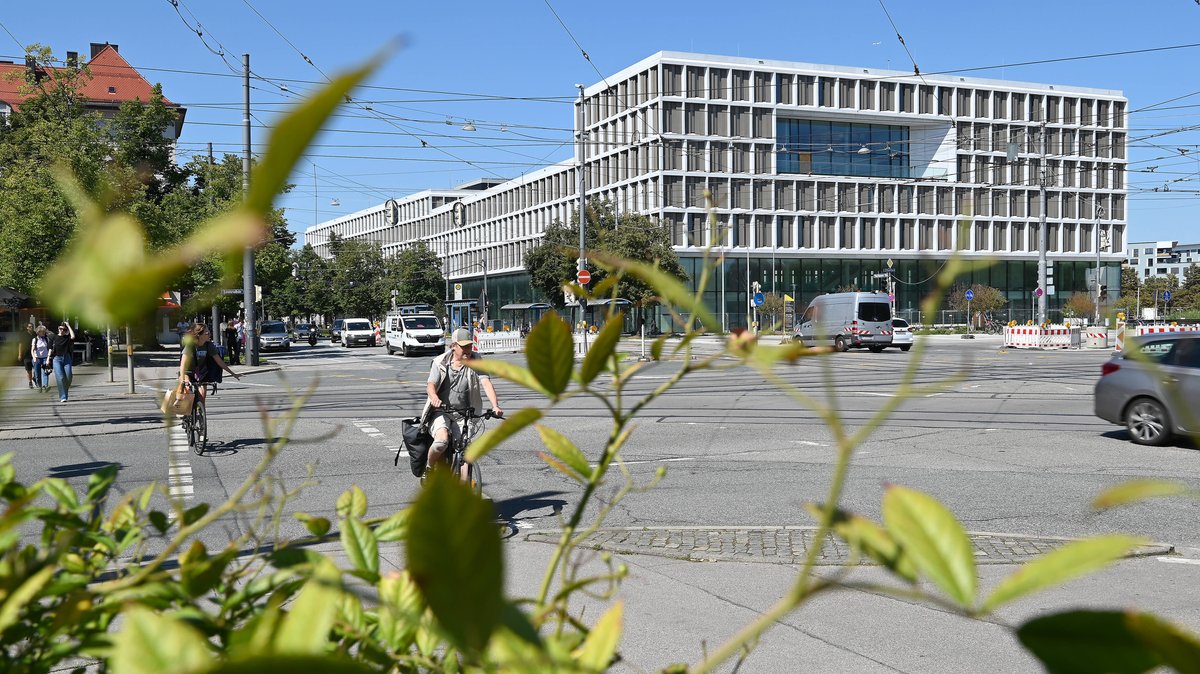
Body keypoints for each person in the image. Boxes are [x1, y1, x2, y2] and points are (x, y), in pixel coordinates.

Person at [422, 327, 502, 479]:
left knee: (465, 450)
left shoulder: (476, 360)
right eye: (463, 346)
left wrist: (495, 406)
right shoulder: (440, 362)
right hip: (441, 411)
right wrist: (433, 397)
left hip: (464, 413)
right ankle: (429, 467)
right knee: (441, 442)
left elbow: (486, 383)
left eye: (470, 346)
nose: (468, 350)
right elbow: (431, 385)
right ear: (453, 346)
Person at [178, 324, 240, 433]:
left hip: (201, 373)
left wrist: (233, 373)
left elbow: (219, 361)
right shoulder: (190, 346)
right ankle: (185, 415)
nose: (209, 334)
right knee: (187, 392)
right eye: (206, 333)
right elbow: (183, 364)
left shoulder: (209, 345)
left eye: (208, 332)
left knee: (202, 397)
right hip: (188, 372)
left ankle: (202, 423)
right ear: (199, 335)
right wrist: (184, 379)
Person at [49, 322, 75, 403]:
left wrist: (68, 325)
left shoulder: (67, 338)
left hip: (67, 358)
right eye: (60, 329)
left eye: (64, 329)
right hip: (56, 359)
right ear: (58, 329)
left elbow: (73, 336)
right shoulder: (53, 337)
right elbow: (50, 348)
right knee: (60, 378)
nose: (62, 330)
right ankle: (63, 397)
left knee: (68, 377)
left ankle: (65, 392)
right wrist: (47, 359)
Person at [31, 325, 51, 392]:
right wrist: (34, 357)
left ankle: (45, 386)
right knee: (37, 374)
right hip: (37, 358)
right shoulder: (35, 340)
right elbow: (32, 350)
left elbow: (49, 349)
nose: (43, 333)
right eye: (42, 332)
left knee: (45, 372)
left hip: (45, 357)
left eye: (44, 332)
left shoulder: (46, 339)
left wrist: (48, 358)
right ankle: (39, 386)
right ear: (38, 332)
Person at [18, 324, 33, 389]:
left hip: (35, 354)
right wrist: (19, 354)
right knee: (29, 369)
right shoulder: (23, 335)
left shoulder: (35, 334)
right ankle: (30, 381)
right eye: (29, 327)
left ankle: (35, 377)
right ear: (27, 328)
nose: (31, 328)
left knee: (37, 367)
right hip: (26, 355)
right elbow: (20, 345)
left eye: (32, 327)